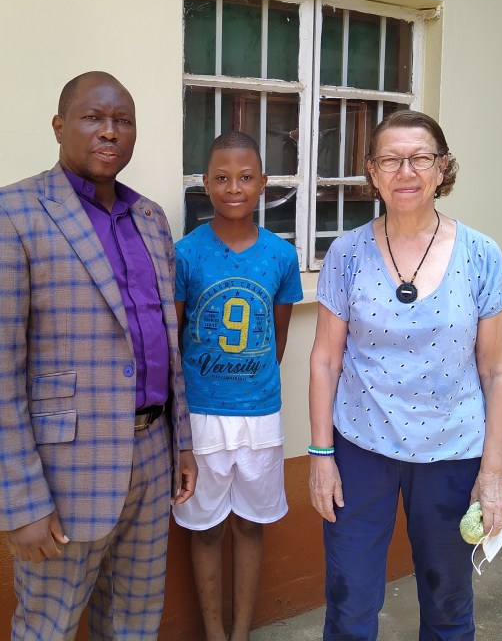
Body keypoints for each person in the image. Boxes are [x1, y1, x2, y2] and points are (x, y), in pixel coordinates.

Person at [0, 71, 198, 640]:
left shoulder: (150, 219)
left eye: (123, 121)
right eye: (94, 118)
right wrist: (20, 502)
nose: (110, 131)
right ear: (59, 126)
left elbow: (166, 343)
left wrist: (182, 443)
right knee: (49, 626)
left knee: (136, 621)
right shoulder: (7, 214)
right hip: (64, 473)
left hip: (152, 455)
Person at [308, 109, 502, 641]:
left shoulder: (481, 255)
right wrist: (321, 456)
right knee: (349, 603)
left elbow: (498, 369)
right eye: (391, 160)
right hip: (360, 451)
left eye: (420, 158)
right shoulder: (347, 253)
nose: (406, 172)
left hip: (452, 455)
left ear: (442, 168)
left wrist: (493, 472)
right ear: (372, 172)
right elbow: (325, 359)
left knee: (448, 605)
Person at [172, 131, 303, 641]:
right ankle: (214, 632)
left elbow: (278, 338)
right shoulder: (185, 254)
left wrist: (248, 381)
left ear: (263, 183)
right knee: (205, 528)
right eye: (222, 178)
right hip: (201, 417)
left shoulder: (281, 256)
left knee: (250, 524)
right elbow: (176, 337)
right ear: (205, 184)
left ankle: (241, 632)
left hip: (259, 416)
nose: (233, 188)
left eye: (245, 177)